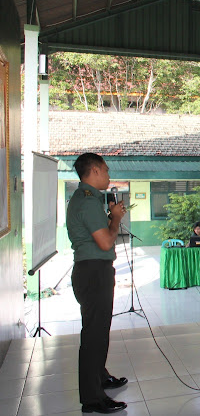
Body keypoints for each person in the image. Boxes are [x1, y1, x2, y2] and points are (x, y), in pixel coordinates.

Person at [66, 153, 128, 414]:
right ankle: (93, 398)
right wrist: (115, 218)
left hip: (90, 271)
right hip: (94, 273)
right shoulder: (90, 202)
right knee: (94, 335)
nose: (108, 175)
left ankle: (100, 378)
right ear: (93, 171)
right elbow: (105, 242)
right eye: (105, 170)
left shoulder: (83, 197)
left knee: (98, 331)